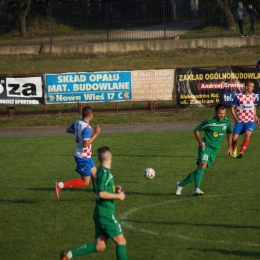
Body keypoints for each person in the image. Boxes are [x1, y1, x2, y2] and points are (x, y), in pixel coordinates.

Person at [60, 146, 128, 260]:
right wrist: (118, 196)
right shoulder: (105, 173)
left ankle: (68, 255)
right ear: (111, 158)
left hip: (99, 213)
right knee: (121, 242)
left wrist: (114, 188)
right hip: (106, 213)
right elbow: (101, 193)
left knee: (100, 246)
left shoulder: (99, 172)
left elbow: (101, 188)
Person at [175, 104, 232, 196]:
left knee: (200, 170)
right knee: (203, 165)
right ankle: (196, 189)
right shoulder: (209, 122)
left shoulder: (227, 122)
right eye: (220, 113)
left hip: (215, 150)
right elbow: (196, 130)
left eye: (224, 113)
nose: (222, 115)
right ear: (215, 112)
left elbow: (229, 132)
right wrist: (200, 142)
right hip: (205, 147)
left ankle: (180, 185)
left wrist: (229, 147)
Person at [55, 106, 101, 198]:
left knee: (95, 174)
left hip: (85, 156)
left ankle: (98, 193)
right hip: (83, 156)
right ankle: (60, 185)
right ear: (89, 115)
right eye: (92, 114)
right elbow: (86, 143)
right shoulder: (87, 128)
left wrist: (79, 134)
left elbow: (68, 129)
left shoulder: (78, 122)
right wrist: (96, 134)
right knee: (85, 182)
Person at [230, 80, 259, 158]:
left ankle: (241, 153)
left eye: (253, 86)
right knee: (234, 138)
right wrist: (234, 117)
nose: (253, 88)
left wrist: (255, 116)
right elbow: (232, 107)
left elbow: (254, 107)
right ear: (246, 87)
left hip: (250, 121)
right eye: (251, 86)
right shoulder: (238, 96)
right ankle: (235, 149)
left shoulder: (254, 96)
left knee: (247, 135)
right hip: (240, 121)